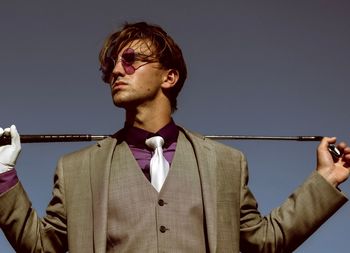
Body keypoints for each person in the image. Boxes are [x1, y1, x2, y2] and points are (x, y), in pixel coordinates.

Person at [0, 22, 350, 253]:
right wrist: (3, 175)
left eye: (132, 59)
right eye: (112, 65)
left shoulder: (225, 163)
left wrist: (325, 180)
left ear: (169, 77)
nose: (118, 70)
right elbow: (43, 247)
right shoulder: (77, 169)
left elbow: (265, 241)